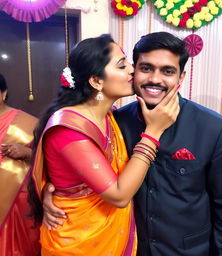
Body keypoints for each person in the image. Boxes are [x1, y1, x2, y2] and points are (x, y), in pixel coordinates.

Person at [43, 32, 222, 256]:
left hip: (188, 251)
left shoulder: (212, 128)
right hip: (128, 247)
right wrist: (53, 191)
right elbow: (72, 163)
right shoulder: (117, 122)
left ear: (181, 76)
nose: (155, 79)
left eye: (168, 71)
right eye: (146, 68)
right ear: (134, 70)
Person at [28, 34, 180, 256]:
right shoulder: (69, 129)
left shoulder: (111, 116)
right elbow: (119, 195)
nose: (132, 70)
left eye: (128, 62)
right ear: (96, 81)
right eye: (122, 66)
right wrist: (153, 132)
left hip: (109, 236)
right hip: (79, 243)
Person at [0, 73, 40, 255]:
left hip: (17, 203)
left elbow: (49, 161)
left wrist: (26, 152)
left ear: (3, 93)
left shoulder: (28, 124)